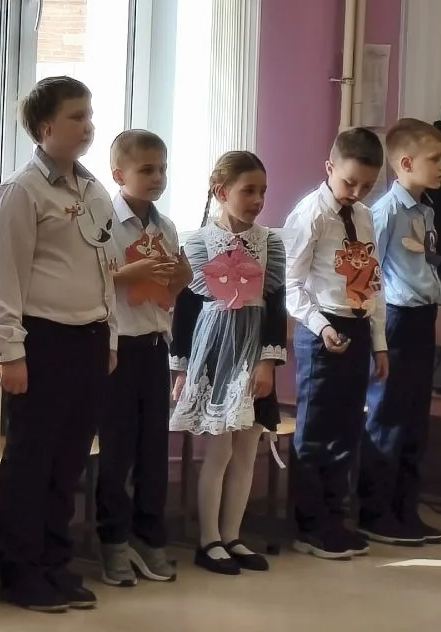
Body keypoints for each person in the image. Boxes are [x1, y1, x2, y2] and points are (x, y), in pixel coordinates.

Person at [0, 76, 117, 613]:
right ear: (45, 128)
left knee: (68, 462)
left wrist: (109, 334)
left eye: (90, 115)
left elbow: (105, 268)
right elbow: (3, 278)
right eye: (76, 116)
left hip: (90, 339)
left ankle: (55, 564)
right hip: (43, 341)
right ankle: (20, 572)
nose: (88, 126)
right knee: (31, 462)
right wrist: (10, 352)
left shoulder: (94, 190)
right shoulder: (22, 192)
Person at [169, 151, 287, 575]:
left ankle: (233, 535)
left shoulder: (271, 244)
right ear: (221, 192)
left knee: (246, 452)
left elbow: (275, 305)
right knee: (218, 452)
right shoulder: (197, 244)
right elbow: (185, 311)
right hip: (215, 353)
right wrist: (181, 368)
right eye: (248, 191)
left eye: (262, 192)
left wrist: (268, 362)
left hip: (253, 353)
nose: (257, 200)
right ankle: (209, 540)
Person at [283, 127, 389, 560]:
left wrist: (379, 342)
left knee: (347, 428)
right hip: (321, 330)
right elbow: (290, 284)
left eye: (368, 186)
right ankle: (309, 526)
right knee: (316, 430)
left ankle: (335, 518)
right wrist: (320, 326)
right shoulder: (311, 215)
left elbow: (373, 282)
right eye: (350, 182)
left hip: (357, 325)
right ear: (329, 168)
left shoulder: (364, 216)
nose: (357, 193)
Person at [95, 130, 188, 587]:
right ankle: (113, 540)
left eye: (162, 169)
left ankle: (148, 536)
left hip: (155, 347)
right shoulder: (103, 224)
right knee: (117, 451)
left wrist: (181, 278)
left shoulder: (165, 227)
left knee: (154, 451)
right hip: (118, 349)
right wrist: (128, 273)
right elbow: (95, 284)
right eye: (146, 169)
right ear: (119, 174)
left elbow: (167, 294)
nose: (157, 178)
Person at [358, 119, 441, 546]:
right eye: (435, 159)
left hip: (423, 319)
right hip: (395, 320)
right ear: (406, 163)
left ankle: (405, 509)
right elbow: (369, 274)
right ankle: (375, 512)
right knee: (388, 416)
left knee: (415, 418)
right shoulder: (385, 212)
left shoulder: (426, 211)